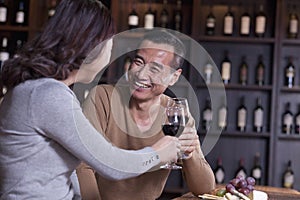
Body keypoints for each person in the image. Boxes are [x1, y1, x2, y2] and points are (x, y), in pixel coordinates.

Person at [0, 1, 180, 199]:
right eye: (111, 44)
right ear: (92, 46)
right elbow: (110, 163)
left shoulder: (42, 89)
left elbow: (67, 174)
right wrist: (158, 153)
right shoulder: (48, 95)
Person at [77, 30, 215, 200]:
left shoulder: (176, 113)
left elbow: (205, 189)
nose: (141, 75)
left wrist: (191, 152)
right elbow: (83, 165)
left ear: (174, 77)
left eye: (155, 69)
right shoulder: (102, 97)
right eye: (138, 62)